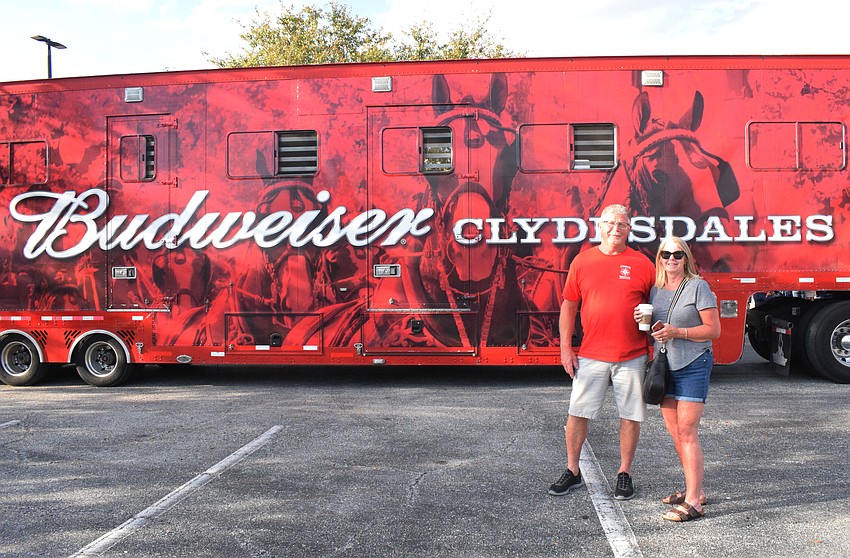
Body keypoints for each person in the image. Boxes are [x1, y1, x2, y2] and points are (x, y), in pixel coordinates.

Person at [548, 204, 655, 500]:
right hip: (591, 354)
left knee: (630, 416)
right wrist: (565, 349)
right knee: (577, 414)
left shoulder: (643, 264)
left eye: (621, 224)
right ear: (599, 226)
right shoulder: (582, 262)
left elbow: (656, 306)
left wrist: (654, 338)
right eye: (609, 223)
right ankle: (572, 470)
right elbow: (569, 306)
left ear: (630, 228)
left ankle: (624, 472)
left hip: (632, 354)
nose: (615, 229)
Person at [638, 236, 720, 522]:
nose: (671, 259)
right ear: (659, 258)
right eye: (665, 254)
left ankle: (695, 502)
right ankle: (692, 489)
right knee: (676, 434)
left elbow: (714, 330)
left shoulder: (698, 286)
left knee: (687, 432)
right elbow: (654, 328)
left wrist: (678, 332)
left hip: (693, 364)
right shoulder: (656, 290)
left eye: (677, 254)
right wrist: (643, 321)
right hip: (665, 366)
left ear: (686, 258)